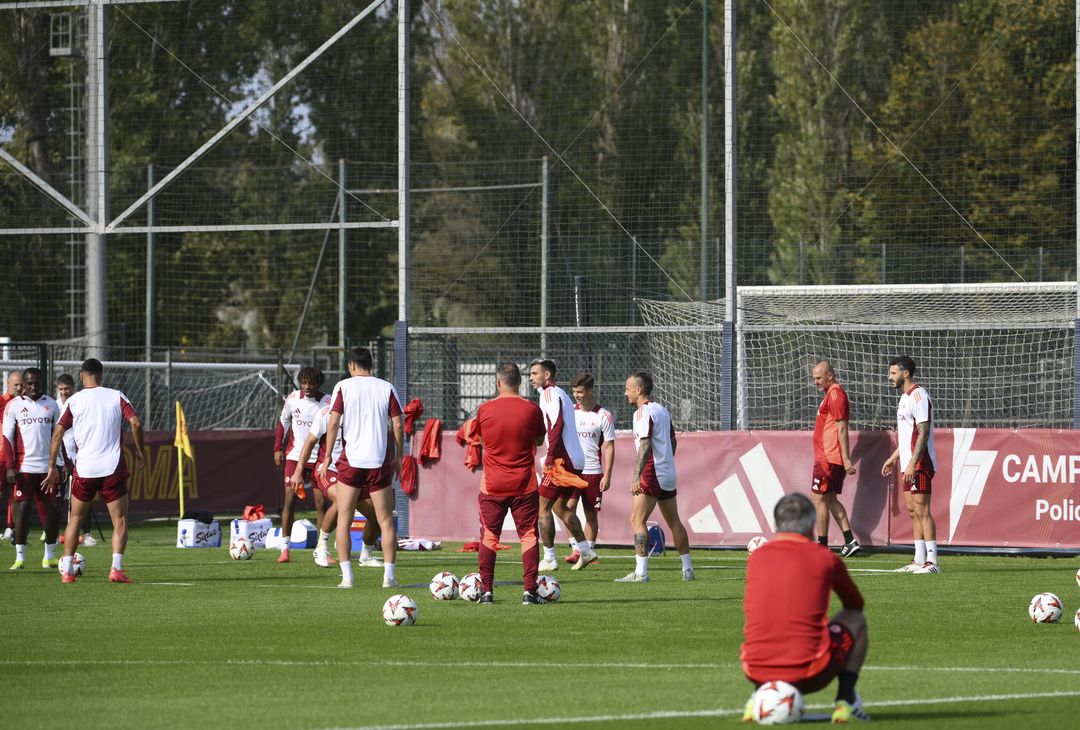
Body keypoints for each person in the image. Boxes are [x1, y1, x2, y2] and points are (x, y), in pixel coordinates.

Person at [740, 493, 869, 723]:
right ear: (811, 526)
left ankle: (757, 697)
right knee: (856, 619)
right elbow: (855, 604)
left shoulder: (756, 559)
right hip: (811, 672)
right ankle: (846, 700)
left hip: (753, 670)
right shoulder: (825, 558)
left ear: (776, 525)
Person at [43, 358, 146, 583]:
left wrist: (51, 466)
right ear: (101, 374)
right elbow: (136, 423)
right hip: (112, 468)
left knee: (75, 519)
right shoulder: (116, 395)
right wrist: (140, 450)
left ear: (81, 376)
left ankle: (67, 572)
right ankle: (116, 569)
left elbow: (58, 433)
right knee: (120, 521)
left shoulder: (74, 400)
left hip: (85, 469)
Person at [318, 346, 403, 589]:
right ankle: (389, 577)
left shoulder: (343, 386)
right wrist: (399, 455)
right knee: (385, 520)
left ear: (352, 366)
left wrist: (327, 458)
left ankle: (347, 577)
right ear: (371, 365)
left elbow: (333, 422)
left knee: (344, 519)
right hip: (378, 461)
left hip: (351, 462)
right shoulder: (387, 387)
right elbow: (398, 424)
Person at [473, 363, 546, 604]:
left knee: (489, 536)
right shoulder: (532, 410)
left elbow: (482, 440)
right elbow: (539, 440)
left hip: (492, 486)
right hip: (524, 485)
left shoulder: (484, 409)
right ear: (520, 382)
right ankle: (529, 592)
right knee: (528, 536)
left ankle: (487, 592)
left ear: (498, 382)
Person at [615, 371, 694, 583]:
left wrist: (636, 476)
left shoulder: (642, 412)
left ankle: (641, 572)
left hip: (651, 472)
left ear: (638, 389)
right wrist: (666, 461)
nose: (625, 393)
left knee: (636, 519)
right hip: (667, 472)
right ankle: (687, 569)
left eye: (628, 389)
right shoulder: (662, 410)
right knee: (674, 522)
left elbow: (645, 444)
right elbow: (673, 441)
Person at [291, 403, 382, 569]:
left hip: (353, 471)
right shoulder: (325, 414)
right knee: (342, 500)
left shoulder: (363, 412)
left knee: (378, 515)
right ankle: (321, 546)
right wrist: (298, 472)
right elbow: (309, 442)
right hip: (328, 469)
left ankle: (366, 555)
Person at [527, 359, 597, 571]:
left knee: (542, 508)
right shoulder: (559, 394)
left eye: (535, 373)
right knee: (559, 507)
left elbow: (557, 424)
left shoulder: (549, 393)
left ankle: (549, 558)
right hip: (575, 459)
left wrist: (551, 457)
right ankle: (585, 550)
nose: (531, 378)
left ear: (547, 375)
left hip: (562, 460)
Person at [881, 355, 939, 574]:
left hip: (920, 463)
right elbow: (907, 437)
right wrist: (894, 458)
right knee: (913, 511)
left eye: (893, 373)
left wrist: (913, 462)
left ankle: (932, 562)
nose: (890, 377)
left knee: (922, 510)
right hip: (907, 463)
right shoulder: (904, 398)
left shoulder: (918, 396)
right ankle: (918, 559)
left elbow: (923, 433)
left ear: (905, 373)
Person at [2, 368, 63, 570]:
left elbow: (58, 437)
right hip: (24, 468)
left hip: (48, 468)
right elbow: (7, 438)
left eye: (36, 383)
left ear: (41, 383)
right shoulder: (14, 406)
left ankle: (49, 557)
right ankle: (20, 558)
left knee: (53, 510)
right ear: (24, 384)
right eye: (29, 383)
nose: (33, 387)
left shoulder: (52, 405)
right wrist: (10, 467)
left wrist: (62, 463)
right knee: (23, 510)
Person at [272, 366, 330, 564]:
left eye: (311, 383)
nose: (306, 386)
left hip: (318, 459)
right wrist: (277, 448)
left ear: (319, 384)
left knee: (321, 503)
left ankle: (322, 549)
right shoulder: (292, 399)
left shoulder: (327, 402)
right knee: (290, 499)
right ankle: (285, 548)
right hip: (295, 457)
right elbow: (283, 422)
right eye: (303, 382)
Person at [564, 372, 615, 565]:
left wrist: (607, 475)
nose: (576, 395)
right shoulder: (570, 412)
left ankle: (590, 552)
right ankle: (577, 550)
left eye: (580, 392)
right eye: (574, 392)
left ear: (590, 391)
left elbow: (609, 446)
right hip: (572, 470)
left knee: (590, 514)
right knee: (567, 509)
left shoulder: (604, 416)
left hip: (593, 471)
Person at [810, 361, 859, 557]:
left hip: (828, 458)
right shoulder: (831, 394)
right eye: (814, 378)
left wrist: (846, 459)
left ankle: (822, 546)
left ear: (830, 376)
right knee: (830, 499)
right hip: (829, 457)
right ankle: (850, 541)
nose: (816, 382)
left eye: (818, 378)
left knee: (818, 499)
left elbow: (842, 428)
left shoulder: (836, 394)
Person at [56, 373, 97, 547]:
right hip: (61, 459)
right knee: (58, 499)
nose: (64, 392)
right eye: (61, 389)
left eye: (66, 389)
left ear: (73, 388)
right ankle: (54, 533)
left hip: (80, 458)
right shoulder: (55, 406)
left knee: (83, 497)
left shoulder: (79, 402)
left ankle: (86, 533)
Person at [0, 370, 24, 543]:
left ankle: (11, 528)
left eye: (21, 385)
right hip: (1, 456)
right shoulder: (2, 402)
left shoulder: (25, 404)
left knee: (16, 494)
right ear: (8, 384)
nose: (19, 388)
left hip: (18, 457)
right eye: (16, 384)